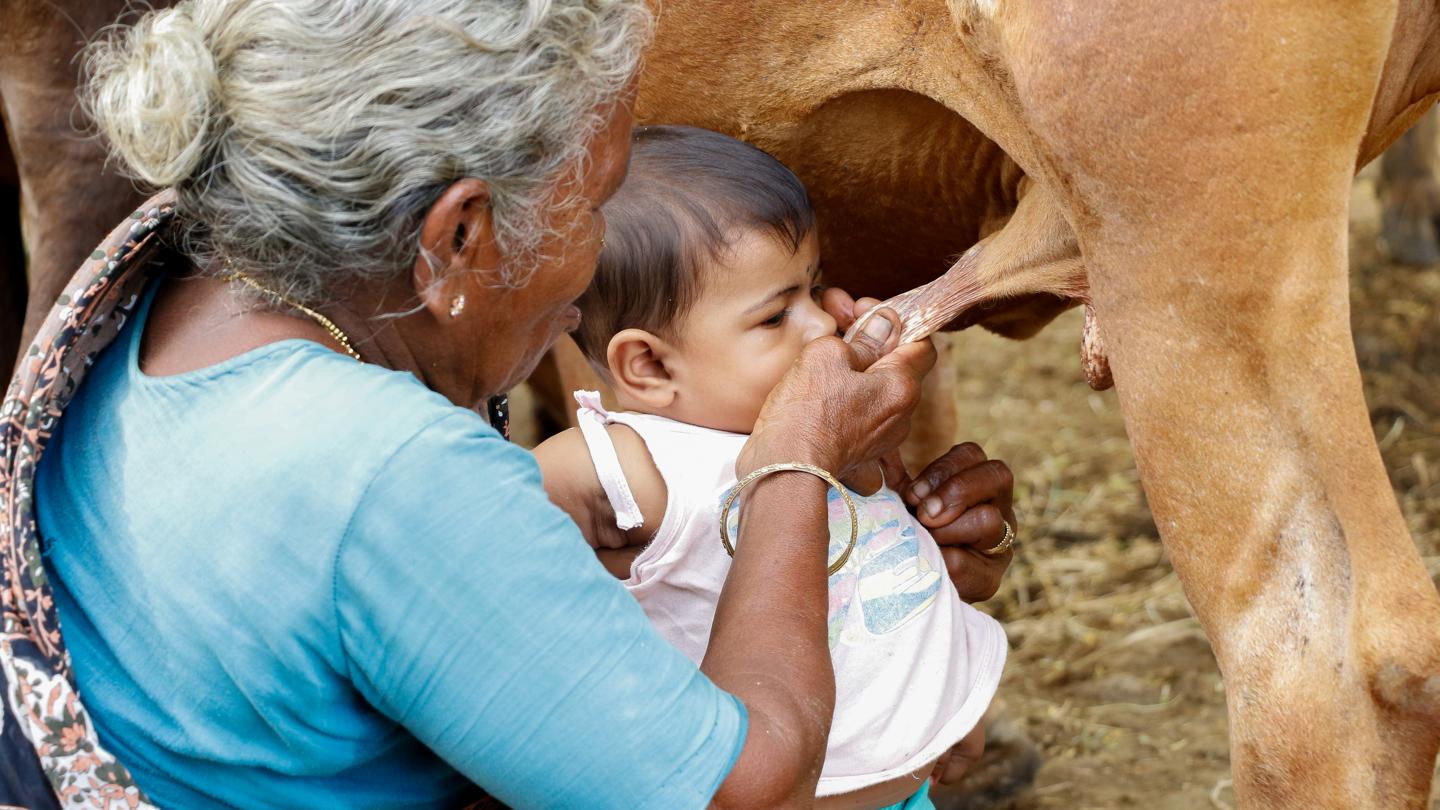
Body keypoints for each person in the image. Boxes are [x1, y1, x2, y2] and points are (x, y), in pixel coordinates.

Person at [0, 1, 1014, 808]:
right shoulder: (396, 477)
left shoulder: (171, 307)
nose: (605, 253)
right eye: (599, 199)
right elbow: (743, 794)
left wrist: (849, 569)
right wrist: (793, 464)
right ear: (456, 239)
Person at [534, 126, 1015, 810]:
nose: (820, 326)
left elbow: (885, 581)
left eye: (814, 291)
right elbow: (482, 528)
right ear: (648, 366)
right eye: (773, 317)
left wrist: (950, 706)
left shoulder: (835, 429)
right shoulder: (627, 462)